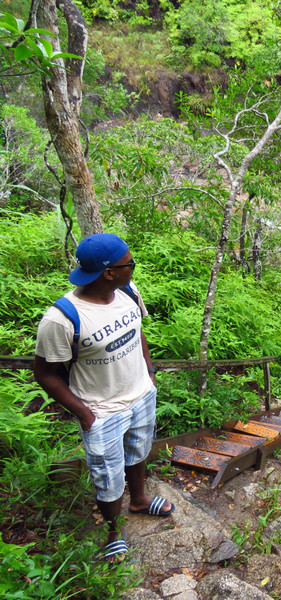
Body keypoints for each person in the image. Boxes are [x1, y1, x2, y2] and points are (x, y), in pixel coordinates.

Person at [33, 233, 174, 562]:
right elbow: (45, 373)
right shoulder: (62, 319)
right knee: (107, 477)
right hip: (101, 410)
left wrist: (149, 373)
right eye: (130, 263)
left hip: (140, 394)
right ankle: (114, 532)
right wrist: (84, 413)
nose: (134, 267)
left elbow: (138, 331)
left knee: (139, 451)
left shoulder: (127, 291)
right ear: (108, 272)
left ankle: (138, 499)